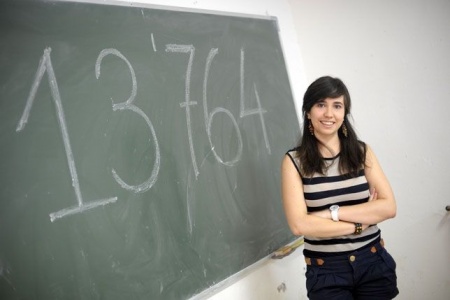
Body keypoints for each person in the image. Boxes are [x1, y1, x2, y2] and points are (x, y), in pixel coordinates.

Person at [281, 76, 399, 299]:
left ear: (344, 113)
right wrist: (359, 224)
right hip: (326, 271)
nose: (329, 114)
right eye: (320, 105)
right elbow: (299, 225)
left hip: (373, 261)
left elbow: (389, 208)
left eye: (337, 106)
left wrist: (330, 214)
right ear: (308, 111)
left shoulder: (362, 152)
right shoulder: (293, 162)